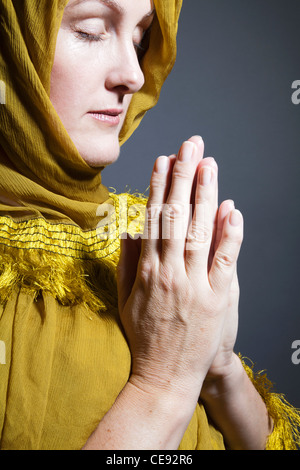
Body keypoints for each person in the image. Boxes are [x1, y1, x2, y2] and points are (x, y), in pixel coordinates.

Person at [0, 0, 299, 451]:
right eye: (92, 30)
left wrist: (218, 369)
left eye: (139, 39)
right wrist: (164, 383)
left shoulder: (148, 244)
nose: (133, 76)